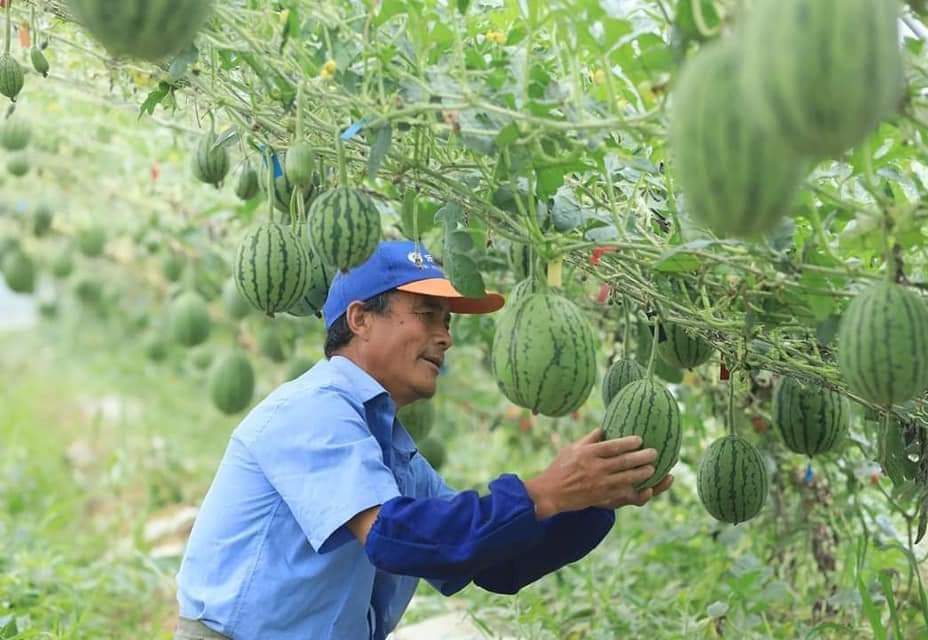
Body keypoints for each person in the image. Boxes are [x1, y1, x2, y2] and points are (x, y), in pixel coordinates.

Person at [174, 239, 673, 640]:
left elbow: (487, 561)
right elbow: (393, 537)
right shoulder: (311, 410)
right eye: (427, 315)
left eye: (447, 322)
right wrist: (543, 492)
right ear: (360, 319)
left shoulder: (390, 446)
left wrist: (588, 502)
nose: (446, 337)